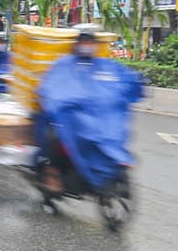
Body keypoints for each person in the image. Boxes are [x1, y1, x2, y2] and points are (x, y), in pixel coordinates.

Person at [33, 26, 144, 195]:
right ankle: (53, 172)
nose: (86, 45)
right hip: (71, 118)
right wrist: (58, 102)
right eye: (83, 41)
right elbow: (51, 88)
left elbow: (124, 81)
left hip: (98, 119)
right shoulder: (65, 64)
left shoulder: (106, 66)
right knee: (55, 135)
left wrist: (137, 82)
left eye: (89, 42)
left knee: (117, 131)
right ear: (77, 44)